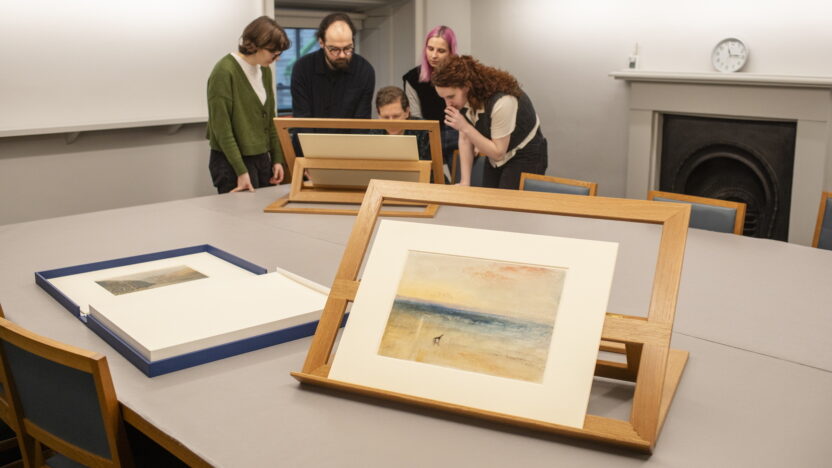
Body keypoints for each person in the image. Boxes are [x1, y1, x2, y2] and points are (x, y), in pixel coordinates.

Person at [432, 55, 548, 190]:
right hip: (496, 155)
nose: (448, 104)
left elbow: (498, 152)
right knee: (489, 197)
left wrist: (464, 126)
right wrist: (464, 182)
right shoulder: (463, 99)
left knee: (507, 202)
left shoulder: (503, 101)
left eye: (451, 96)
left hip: (525, 153)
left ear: (466, 87)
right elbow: (465, 138)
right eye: (443, 98)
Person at [206, 16, 289, 194]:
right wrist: (241, 171)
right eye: (273, 53)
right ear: (255, 45)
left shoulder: (264, 70)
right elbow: (221, 129)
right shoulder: (224, 71)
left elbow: (270, 120)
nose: (277, 58)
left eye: (279, 54)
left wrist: (277, 159)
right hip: (231, 163)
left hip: (262, 160)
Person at [291, 13, 375, 119]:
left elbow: (361, 121)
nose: (342, 55)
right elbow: (302, 119)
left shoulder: (364, 71)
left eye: (348, 48)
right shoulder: (303, 69)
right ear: (321, 43)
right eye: (334, 49)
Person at [402, 25, 458, 167]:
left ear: (451, 52)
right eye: (430, 48)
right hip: (428, 135)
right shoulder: (412, 78)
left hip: (459, 134)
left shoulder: (462, 76)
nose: (434, 55)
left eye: (441, 51)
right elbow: (416, 118)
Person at [373, 86, 430, 161]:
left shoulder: (424, 130)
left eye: (396, 116)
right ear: (379, 115)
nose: (391, 123)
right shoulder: (374, 133)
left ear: (407, 112)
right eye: (386, 117)